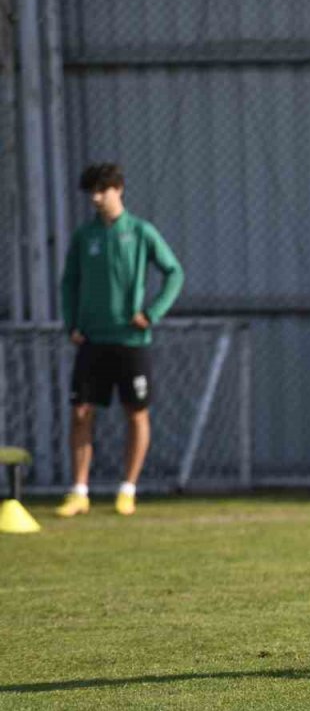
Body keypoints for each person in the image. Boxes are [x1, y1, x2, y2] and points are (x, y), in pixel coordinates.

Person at [55, 162, 184, 517]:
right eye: (91, 192)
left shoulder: (141, 232)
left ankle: (128, 488)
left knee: (136, 413)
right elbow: (69, 282)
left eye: (102, 190)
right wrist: (72, 323)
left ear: (119, 189)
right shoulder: (85, 237)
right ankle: (79, 490)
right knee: (81, 412)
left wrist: (152, 313)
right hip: (92, 338)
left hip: (131, 340)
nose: (96, 198)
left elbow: (174, 272)